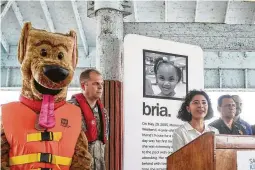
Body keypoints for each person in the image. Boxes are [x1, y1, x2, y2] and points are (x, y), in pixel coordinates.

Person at [68, 69, 109, 170]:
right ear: (83, 86)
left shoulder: (104, 112)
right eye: (95, 83)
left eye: (101, 84)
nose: (100, 87)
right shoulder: (69, 109)